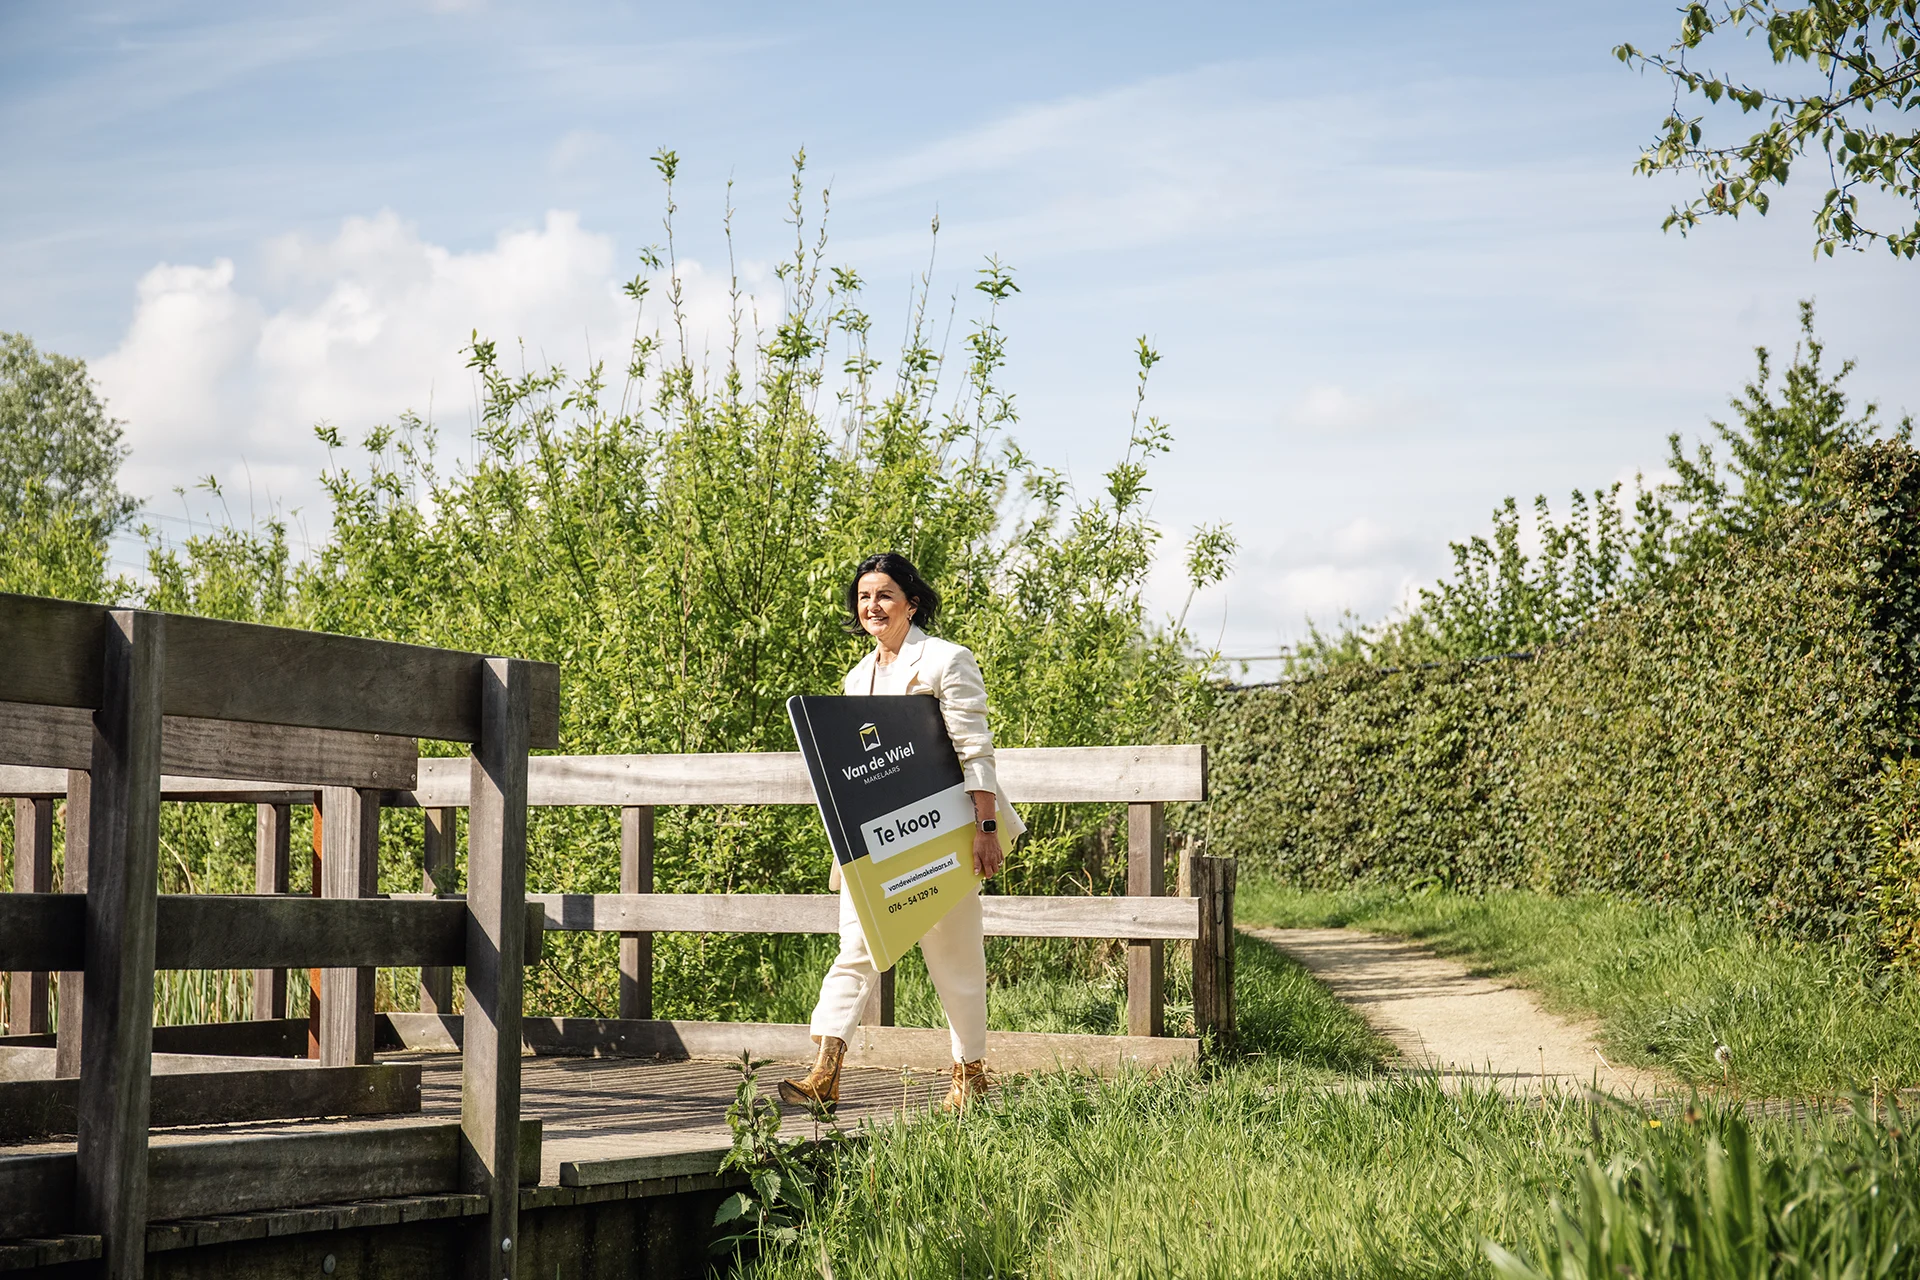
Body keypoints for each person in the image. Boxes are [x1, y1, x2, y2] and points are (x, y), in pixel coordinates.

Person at [779, 551, 1025, 1113]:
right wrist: (845, 849)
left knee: (955, 957)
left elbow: (974, 751)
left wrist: (985, 827)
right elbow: (848, 774)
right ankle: (825, 1072)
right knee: (856, 948)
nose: (873, 606)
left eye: (884, 594)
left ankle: (971, 1075)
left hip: (944, 833)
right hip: (876, 844)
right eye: (864, 597)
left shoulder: (946, 661)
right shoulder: (855, 677)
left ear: (911, 603)